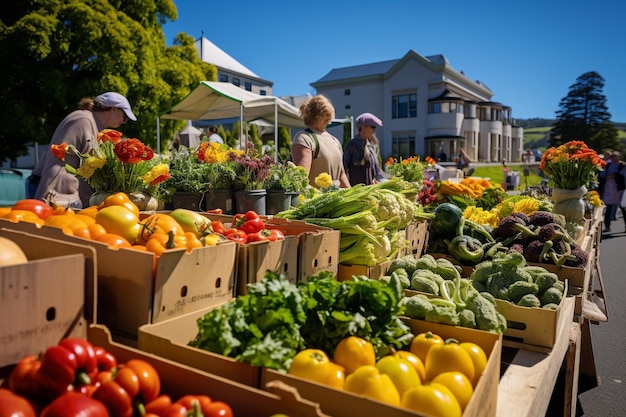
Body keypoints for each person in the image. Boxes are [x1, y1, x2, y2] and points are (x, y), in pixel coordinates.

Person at [28, 92, 136, 208]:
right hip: (52, 192)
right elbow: (57, 160)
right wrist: (44, 199)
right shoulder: (82, 120)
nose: (124, 121)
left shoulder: (92, 123)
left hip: (61, 196)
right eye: (125, 116)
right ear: (114, 109)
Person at [291, 95, 350, 188]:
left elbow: (341, 174)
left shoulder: (334, 140)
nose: (329, 121)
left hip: (337, 198)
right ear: (315, 116)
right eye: (326, 117)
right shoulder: (305, 138)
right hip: (318, 199)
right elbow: (301, 178)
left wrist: (352, 193)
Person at [343, 112, 384, 186]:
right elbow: (343, 168)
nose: (375, 131)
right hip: (356, 192)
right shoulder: (352, 145)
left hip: (370, 191)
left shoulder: (371, 147)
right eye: (372, 127)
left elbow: (377, 171)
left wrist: (381, 181)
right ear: (362, 127)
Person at [598, 151, 626, 233]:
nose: (613, 158)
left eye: (615, 157)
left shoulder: (622, 165)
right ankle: (607, 226)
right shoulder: (608, 165)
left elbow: (622, 175)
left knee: (623, 208)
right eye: (612, 157)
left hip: (620, 189)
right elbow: (602, 175)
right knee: (608, 208)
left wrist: (614, 176)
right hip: (609, 189)